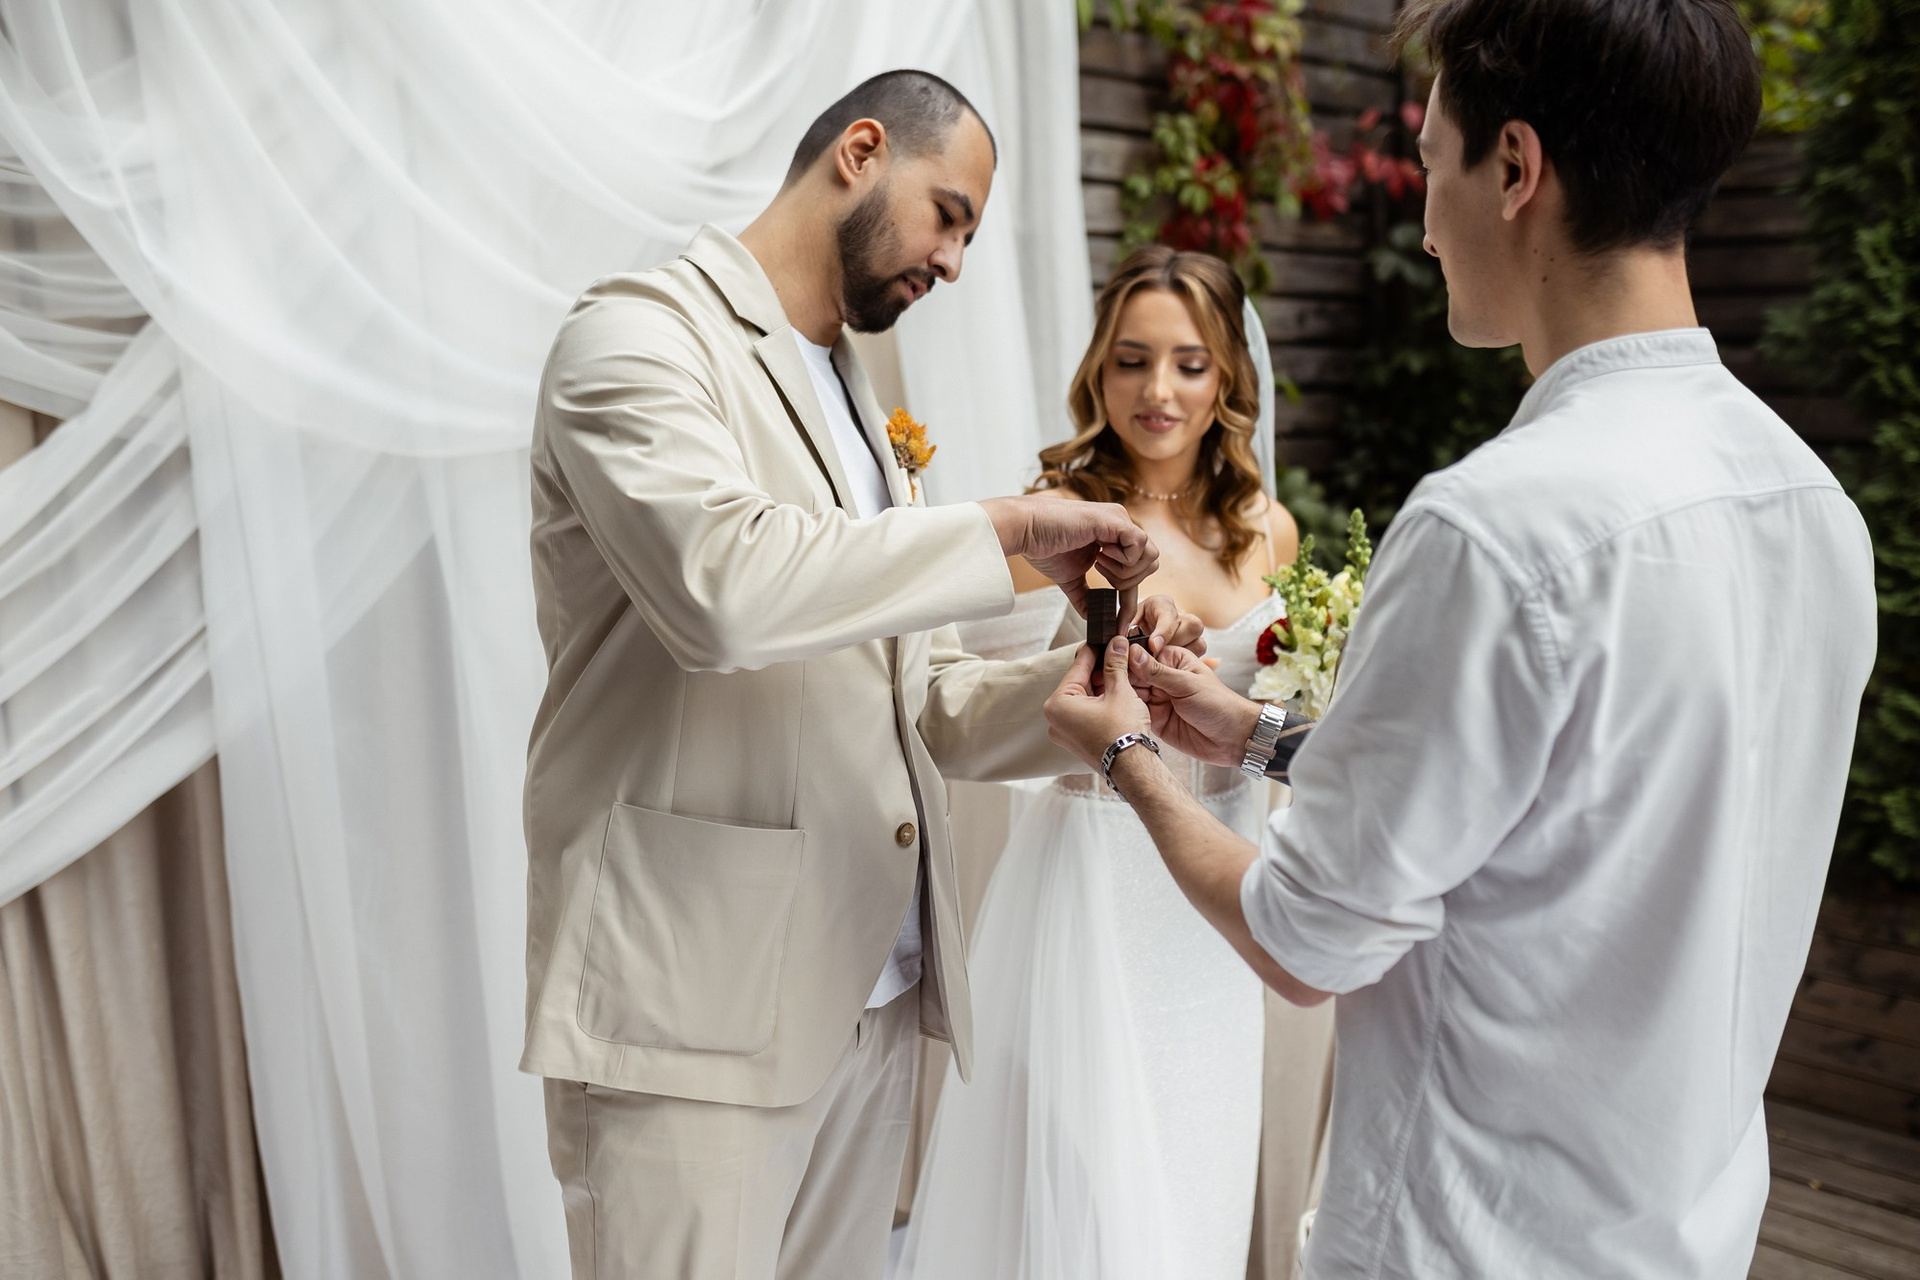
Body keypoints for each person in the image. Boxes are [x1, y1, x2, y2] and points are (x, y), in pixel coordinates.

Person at [1040, 2, 1879, 1277]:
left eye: (1432, 164)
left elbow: (1306, 937)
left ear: (1516, 167)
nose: (1428, 225)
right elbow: (1569, 805)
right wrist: (1259, 733)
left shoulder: (1492, 525)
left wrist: (1126, 757)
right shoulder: (1813, 505)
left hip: (1466, 1238)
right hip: (1690, 1233)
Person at [521, 70, 1203, 1280]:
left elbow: (921, 699)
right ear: (861, 150)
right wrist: (1005, 527)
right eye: (949, 215)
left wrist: (1108, 680)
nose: (954, 262)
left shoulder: (862, 396)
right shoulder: (635, 337)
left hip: (873, 997)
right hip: (695, 1012)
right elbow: (723, 590)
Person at [898, 246, 1319, 1280]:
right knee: (1085, 1185)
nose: (1157, 390)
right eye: (1131, 360)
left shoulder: (1267, 529)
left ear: (1227, 379)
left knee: (1191, 1159)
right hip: (1092, 869)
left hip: (1222, 881)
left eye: (1188, 363)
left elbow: (1292, 710)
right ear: (1099, 370)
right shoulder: (1057, 515)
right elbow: (950, 683)